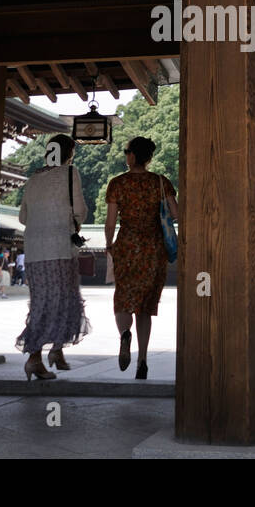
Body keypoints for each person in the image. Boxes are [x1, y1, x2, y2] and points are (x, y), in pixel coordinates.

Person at [15, 134, 91, 380]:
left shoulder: (33, 179)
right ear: (70, 154)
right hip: (59, 248)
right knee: (62, 300)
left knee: (43, 300)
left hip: (35, 251)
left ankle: (56, 350)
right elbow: (79, 210)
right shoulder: (70, 173)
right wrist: (73, 224)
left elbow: (23, 217)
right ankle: (35, 358)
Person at [104, 136, 179, 380]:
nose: (126, 155)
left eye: (127, 151)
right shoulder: (161, 182)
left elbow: (111, 221)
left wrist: (109, 244)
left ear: (132, 156)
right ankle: (143, 360)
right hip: (153, 249)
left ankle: (125, 335)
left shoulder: (117, 184)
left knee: (124, 298)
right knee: (145, 306)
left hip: (126, 245)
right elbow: (176, 214)